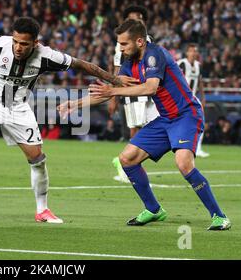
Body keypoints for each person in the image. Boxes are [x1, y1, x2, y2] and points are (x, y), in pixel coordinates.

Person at [0, 16, 136, 223]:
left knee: (38, 161)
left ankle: (42, 210)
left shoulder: (47, 56)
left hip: (18, 107)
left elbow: (83, 65)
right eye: (15, 41)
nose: (17, 47)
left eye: (24, 44)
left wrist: (116, 80)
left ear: (35, 43)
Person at [61, 19, 231, 230]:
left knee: (184, 163)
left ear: (139, 41)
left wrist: (114, 91)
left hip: (186, 115)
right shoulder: (128, 62)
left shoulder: (154, 54)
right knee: (127, 159)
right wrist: (75, 104)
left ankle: (219, 216)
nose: (120, 48)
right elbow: (108, 91)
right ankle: (153, 209)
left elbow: (150, 88)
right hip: (166, 119)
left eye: (124, 44)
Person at [109, 6, 159, 183]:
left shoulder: (148, 40)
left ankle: (126, 162)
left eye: (139, 18)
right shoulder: (121, 44)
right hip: (133, 89)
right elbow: (117, 68)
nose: (137, 21)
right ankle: (130, 167)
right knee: (135, 128)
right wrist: (114, 96)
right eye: (132, 19)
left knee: (149, 126)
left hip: (148, 89)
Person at [177, 44, 209, 157]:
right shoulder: (182, 63)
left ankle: (198, 148)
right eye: (191, 51)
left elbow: (200, 82)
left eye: (195, 51)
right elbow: (176, 79)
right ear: (187, 53)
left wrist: (203, 97)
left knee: (200, 122)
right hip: (182, 99)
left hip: (194, 99)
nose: (194, 53)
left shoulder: (198, 65)